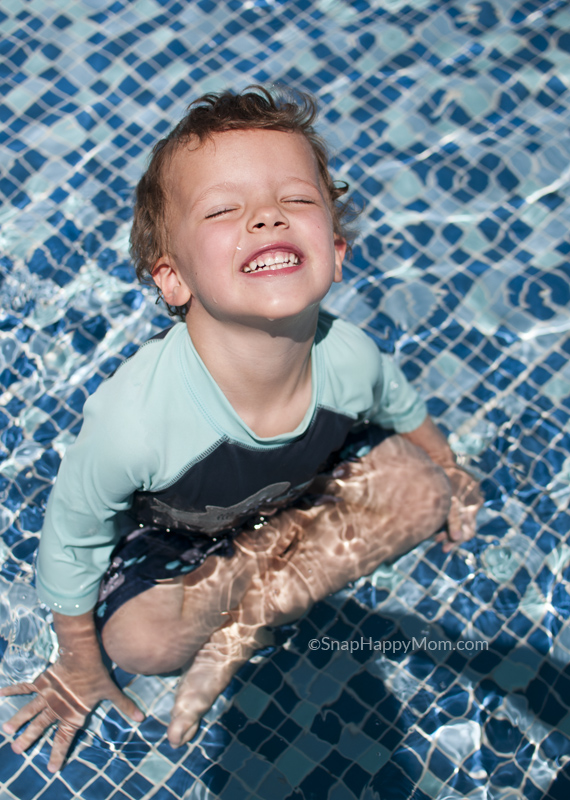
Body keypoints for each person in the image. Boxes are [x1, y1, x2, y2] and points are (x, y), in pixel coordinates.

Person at [0, 87, 482, 772]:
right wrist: (77, 658)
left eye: (296, 201)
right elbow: (72, 540)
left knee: (424, 492)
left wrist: (449, 466)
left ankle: (251, 608)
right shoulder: (136, 422)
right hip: (182, 535)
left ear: (336, 250)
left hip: (301, 493)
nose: (265, 217)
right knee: (141, 644)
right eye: (225, 210)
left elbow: (401, 409)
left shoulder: (347, 357)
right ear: (172, 279)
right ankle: (260, 574)